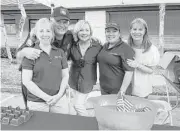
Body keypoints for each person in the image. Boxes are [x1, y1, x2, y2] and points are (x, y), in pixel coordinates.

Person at [21, 18, 69, 113]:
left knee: (61, 127)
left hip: (59, 101)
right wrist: (46, 97)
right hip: (37, 102)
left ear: (52, 34)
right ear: (36, 33)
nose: (45, 34)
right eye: (41, 31)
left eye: (48, 31)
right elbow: (26, 81)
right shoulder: (30, 53)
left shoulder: (60, 52)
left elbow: (65, 76)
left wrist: (58, 96)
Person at [68, 20, 102, 116]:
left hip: (87, 81)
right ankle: (80, 124)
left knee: (78, 105)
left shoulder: (98, 46)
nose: (84, 33)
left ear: (90, 32)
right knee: (77, 104)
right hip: (73, 80)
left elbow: (105, 60)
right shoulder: (72, 45)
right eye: (81, 30)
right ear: (77, 32)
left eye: (87, 30)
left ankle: (88, 124)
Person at [97, 23, 135, 95]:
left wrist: (122, 91)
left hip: (119, 91)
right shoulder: (104, 46)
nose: (111, 34)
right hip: (104, 89)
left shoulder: (126, 48)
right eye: (108, 31)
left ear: (119, 34)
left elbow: (129, 72)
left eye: (114, 31)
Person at [126, 18, 160, 98]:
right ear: (130, 31)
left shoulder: (152, 49)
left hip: (142, 88)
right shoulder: (125, 45)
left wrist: (138, 65)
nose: (137, 32)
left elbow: (151, 70)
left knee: (140, 109)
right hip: (126, 87)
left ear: (145, 31)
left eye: (140, 29)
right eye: (134, 29)